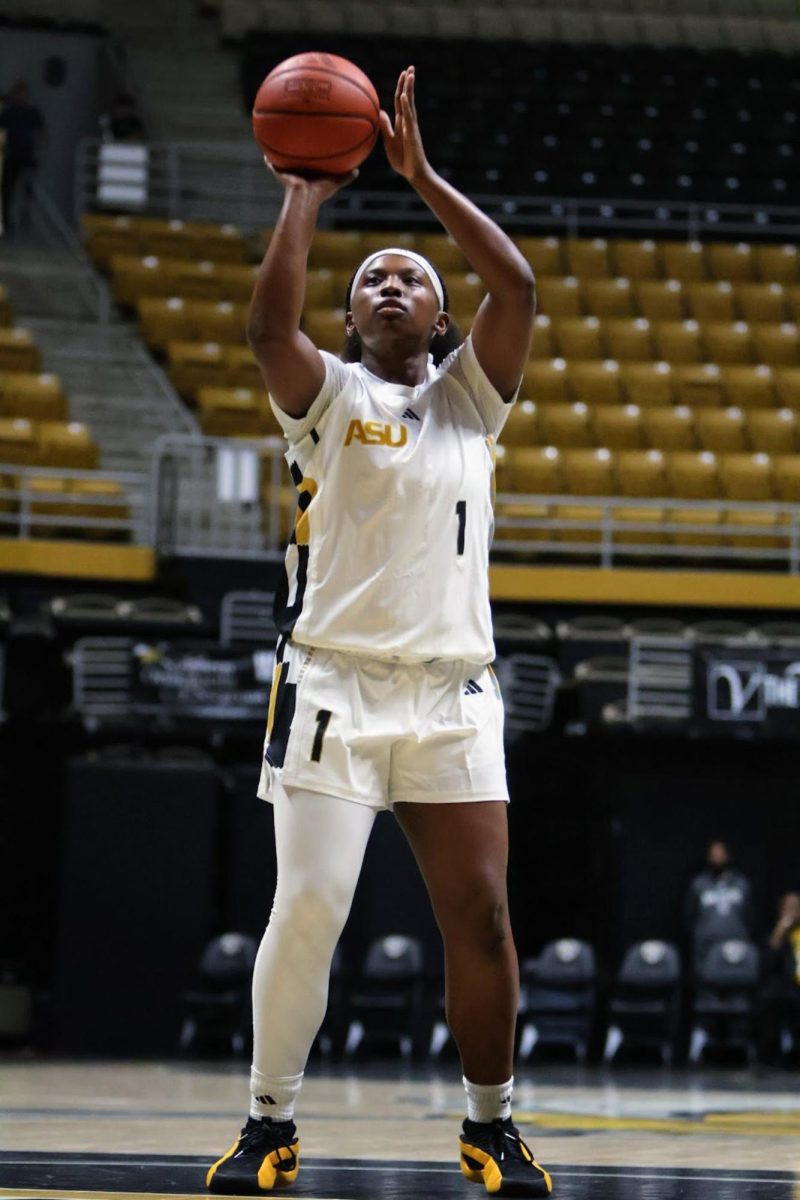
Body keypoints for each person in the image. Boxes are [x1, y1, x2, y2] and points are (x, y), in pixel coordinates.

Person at [206, 66, 551, 1198]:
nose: (392, 283)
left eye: (408, 274)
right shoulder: (327, 399)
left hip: (451, 693)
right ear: (351, 318)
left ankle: (489, 1127)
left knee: (485, 916)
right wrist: (305, 187)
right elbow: (265, 323)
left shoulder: (470, 402)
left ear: (438, 316)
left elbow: (519, 283)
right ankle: (269, 1125)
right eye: (371, 279)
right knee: (307, 907)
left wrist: (420, 181)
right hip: (332, 689)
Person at [684, 839, 753, 975]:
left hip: (736, 942)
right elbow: (689, 915)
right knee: (705, 980)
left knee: (737, 979)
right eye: (713, 855)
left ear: (728, 856)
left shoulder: (742, 884)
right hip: (706, 944)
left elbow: (751, 914)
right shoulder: (698, 884)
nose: (717, 858)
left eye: (720, 854)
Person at [759, 892, 800, 1062]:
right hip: (785, 987)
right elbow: (766, 964)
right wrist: (779, 932)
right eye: (787, 908)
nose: (792, 912)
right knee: (770, 996)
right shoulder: (775, 934)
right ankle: (771, 1056)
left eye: (796, 908)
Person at [0, 81, 44, 237]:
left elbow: (40, 134)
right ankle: (7, 223)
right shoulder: (8, 113)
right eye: (17, 93)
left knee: (27, 191)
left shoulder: (32, 113)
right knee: (7, 191)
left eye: (22, 93)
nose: (20, 96)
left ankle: (26, 221)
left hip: (27, 156)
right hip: (11, 157)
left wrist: (38, 152)